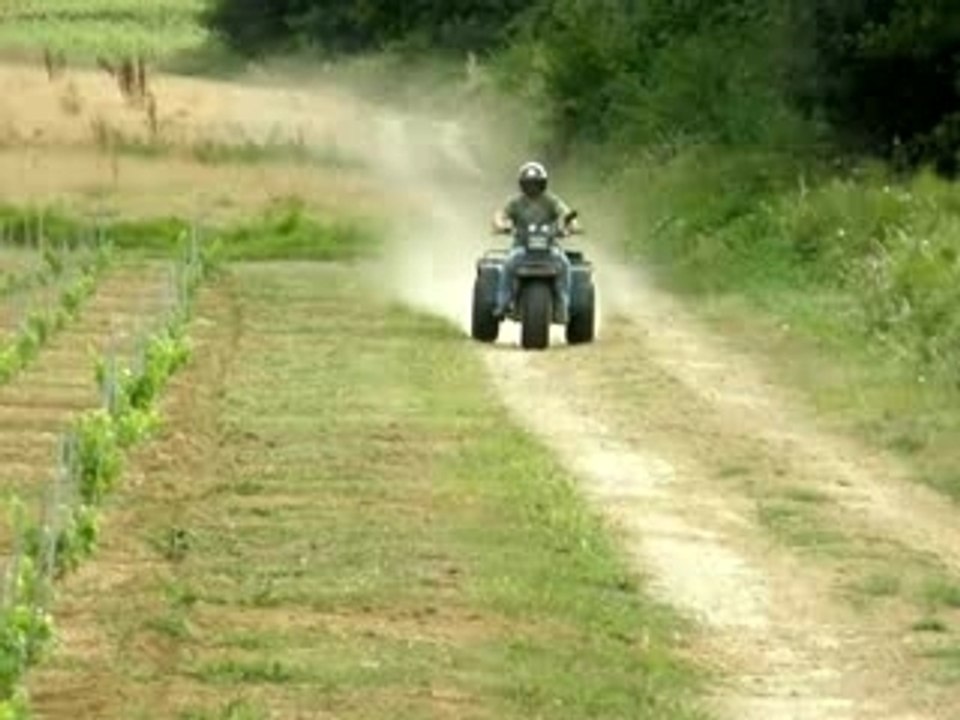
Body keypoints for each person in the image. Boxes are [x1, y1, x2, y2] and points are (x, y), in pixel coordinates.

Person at [491, 161, 578, 321]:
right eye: (528, 184)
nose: (532, 188)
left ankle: (562, 307)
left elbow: (566, 214)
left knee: (565, 265)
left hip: (550, 248)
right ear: (522, 185)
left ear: (543, 184)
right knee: (508, 265)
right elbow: (500, 215)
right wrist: (500, 225)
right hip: (521, 249)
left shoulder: (551, 201)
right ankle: (503, 304)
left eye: (536, 184)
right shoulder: (515, 202)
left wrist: (570, 226)